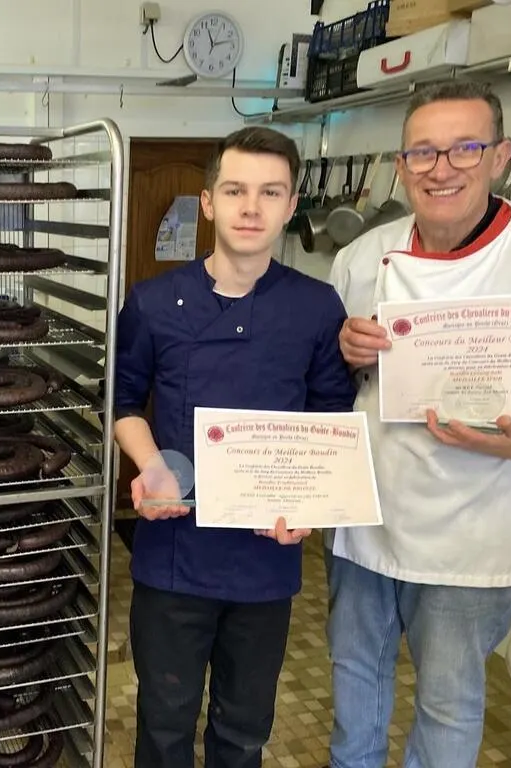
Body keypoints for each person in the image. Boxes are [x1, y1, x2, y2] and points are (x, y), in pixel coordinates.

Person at [114, 126, 357, 768]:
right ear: (208, 202)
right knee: (165, 723)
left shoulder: (315, 308)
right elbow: (123, 402)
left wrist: (310, 502)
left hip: (264, 560)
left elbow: (331, 418)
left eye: (270, 192)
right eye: (235, 190)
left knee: (244, 728)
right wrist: (151, 463)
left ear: (292, 204)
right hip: (174, 553)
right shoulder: (154, 303)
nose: (251, 207)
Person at [326, 79, 511, 768]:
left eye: (464, 148)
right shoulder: (361, 258)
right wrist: (343, 353)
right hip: (368, 517)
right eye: (422, 152)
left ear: (501, 156)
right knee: (355, 682)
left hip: (476, 526)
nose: (441, 168)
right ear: (401, 164)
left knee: (448, 703)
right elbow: (329, 387)